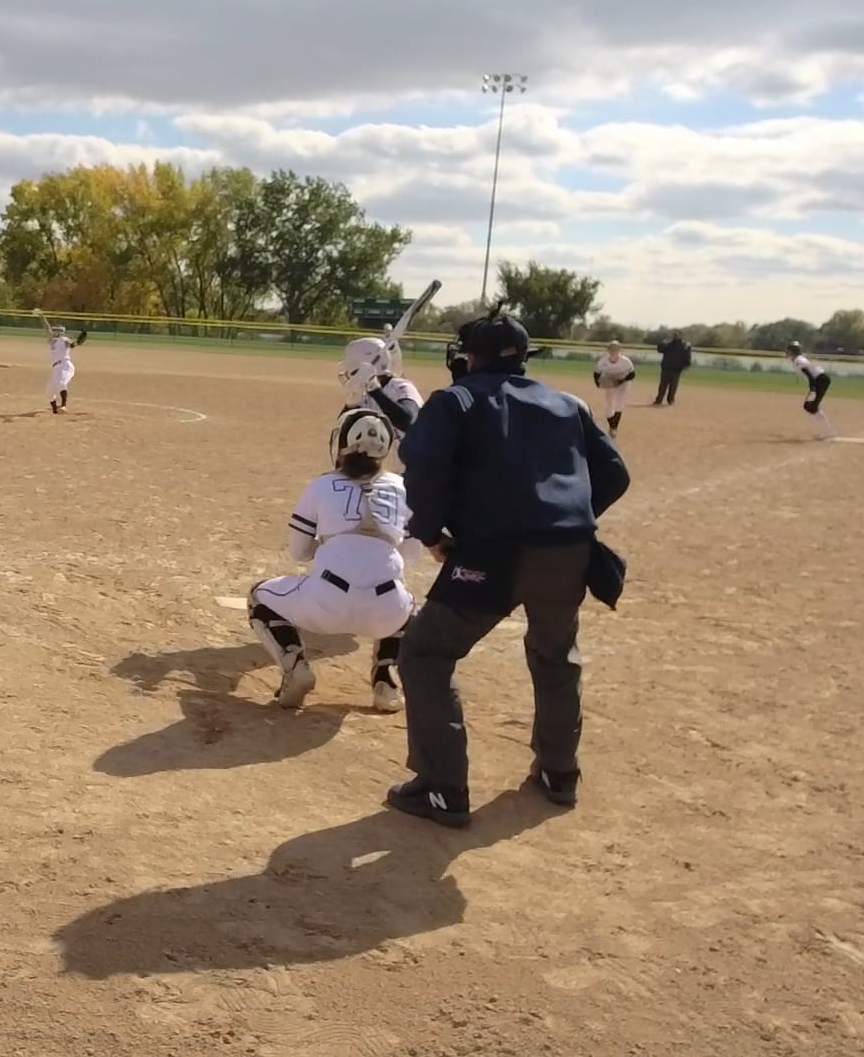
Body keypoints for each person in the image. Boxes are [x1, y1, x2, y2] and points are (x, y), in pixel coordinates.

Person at [389, 312, 630, 828]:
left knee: (427, 653)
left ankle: (442, 788)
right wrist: (566, 520)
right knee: (556, 655)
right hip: (568, 551)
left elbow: (422, 466)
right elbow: (614, 473)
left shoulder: (456, 400)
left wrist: (430, 533)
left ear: (469, 357)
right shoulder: (569, 403)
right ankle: (558, 774)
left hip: (493, 552)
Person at [249, 407, 419, 710]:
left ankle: (294, 668)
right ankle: (386, 682)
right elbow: (410, 556)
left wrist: (332, 544)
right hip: (386, 611)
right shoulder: (403, 488)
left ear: (341, 443)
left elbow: (298, 552)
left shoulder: (322, 484)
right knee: (406, 602)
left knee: (258, 596)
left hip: (326, 604)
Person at [335, 335, 425, 711]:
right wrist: (352, 400)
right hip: (378, 490)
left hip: (413, 491)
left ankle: (385, 670)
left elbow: (412, 422)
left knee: (394, 572)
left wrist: (375, 389)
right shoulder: (363, 391)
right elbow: (342, 442)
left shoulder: (402, 388)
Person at [34, 309, 83, 414]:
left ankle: (64, 406)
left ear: (62, 332)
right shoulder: (52, 341)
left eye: (59, 331)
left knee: (62, 384)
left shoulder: (64, 339)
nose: (56, 332)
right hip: (56, 368)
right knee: (49, 391)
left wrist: (76, 343)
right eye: (55, 330)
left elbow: (71, 344)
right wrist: (41, 316)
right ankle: (55, 410)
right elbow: (46, 327)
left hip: (65, 365)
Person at [786, 341, 835, 440]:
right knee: (810, 406)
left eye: (789, 351)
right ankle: (827, 431)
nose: (788, 353)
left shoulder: (798, 360)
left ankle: (828, 432)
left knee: (811, 406)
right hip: (820, 380)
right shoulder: (800, 358)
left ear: (793, 351)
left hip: (820, 380)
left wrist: (812, 388)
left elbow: (809, 375)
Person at [593, 341, 636, 438]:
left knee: (619, 404)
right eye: (611, 349)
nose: (614, 351)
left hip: (624, 383)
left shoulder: (625, 361)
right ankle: (612, 426)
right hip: (610, 383)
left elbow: (632, 374)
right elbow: (596, 373)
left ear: (620, 350)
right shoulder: (603, 361)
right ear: (608, 350)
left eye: (616, 349)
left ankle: (614, 428)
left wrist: (620, 381)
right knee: (609, 406)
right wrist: (598, 383)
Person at [653, 333, 691, 405]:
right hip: (667, 368)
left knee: (672, 386)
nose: (675, 337)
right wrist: (663, 342)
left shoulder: (683, 346)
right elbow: (660, 349)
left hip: (675, 369)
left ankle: (669, 400)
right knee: (664, 386)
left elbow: (687, 357)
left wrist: (685, 366)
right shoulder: (669, 345)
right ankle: (661, 400)